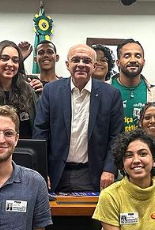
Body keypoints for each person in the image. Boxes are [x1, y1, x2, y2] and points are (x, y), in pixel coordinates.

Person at [33, 44, 122, 192]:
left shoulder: (111, 95)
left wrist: (110, 169)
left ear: (94, 66)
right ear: (68, 65)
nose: (81, 65)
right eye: (76, 60)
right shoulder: (50, 91)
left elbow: (116, 137)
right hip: (55, 173)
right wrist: (42, 170)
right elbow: (40, 133)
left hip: (94, 174)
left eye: (86, 61)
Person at [110, 40, 155, 133]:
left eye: (137, 56)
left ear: (143, 62)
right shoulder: (105, 89)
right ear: (118, 62)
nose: (133, 60)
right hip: (112, 146)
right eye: (127, 56)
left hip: (145, 146)